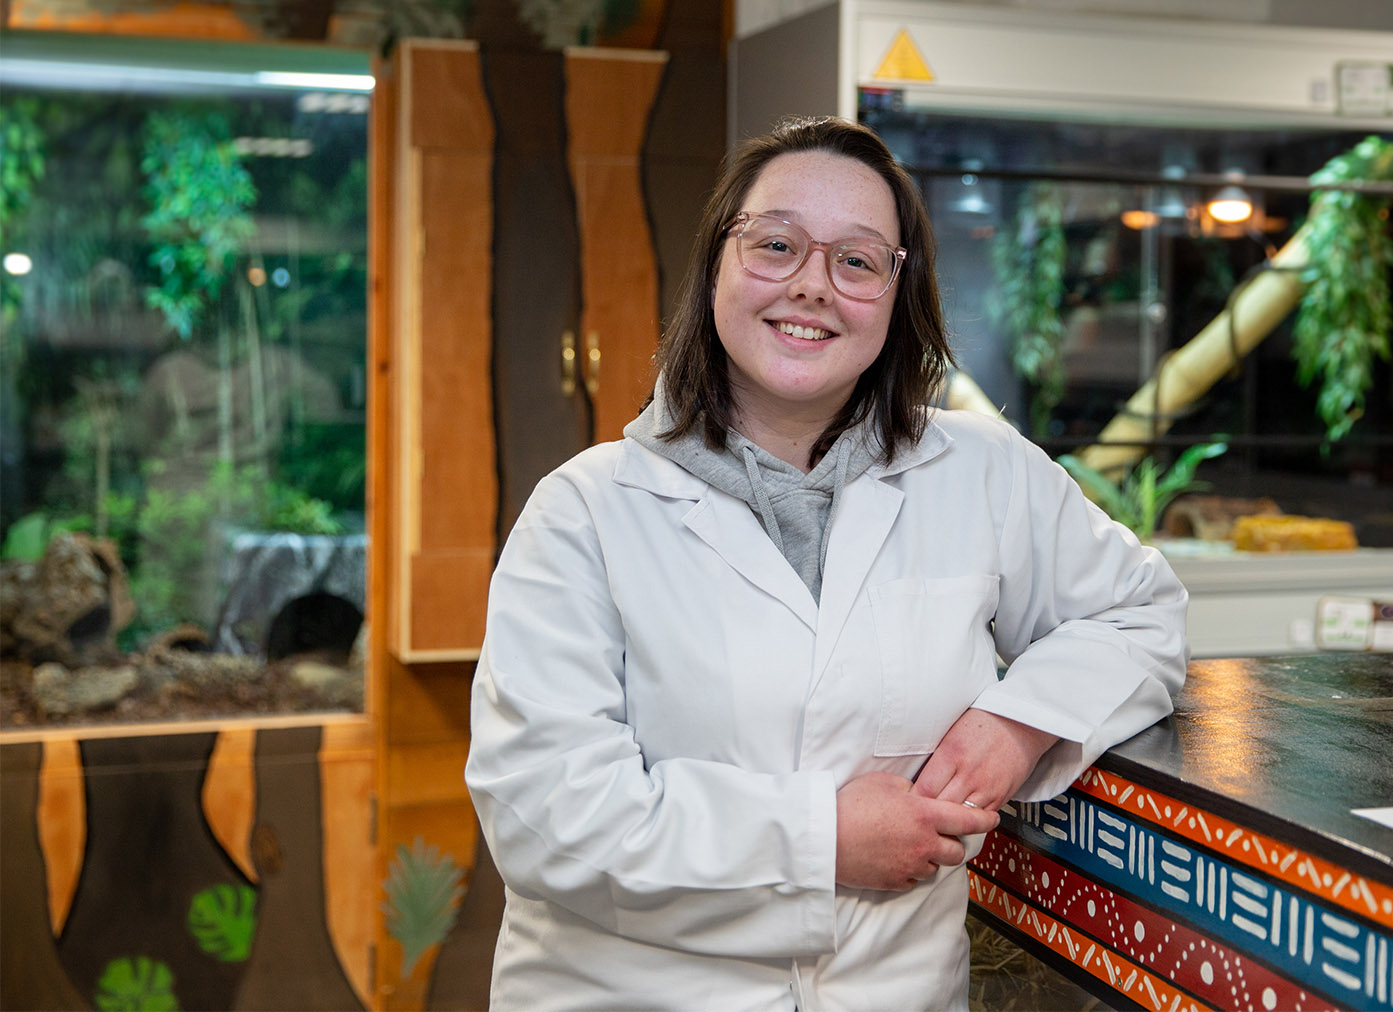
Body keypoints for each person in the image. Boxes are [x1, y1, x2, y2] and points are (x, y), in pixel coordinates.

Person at [464, 115, 1188, 1011]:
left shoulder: (980, 470)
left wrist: (1017, 724)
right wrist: (819, 842)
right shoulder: (585, 510)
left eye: (856, 260)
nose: (812, 285)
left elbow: (1140, 614)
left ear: (896, 293)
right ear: (716, 265)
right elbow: (544, 816)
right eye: (776, 245)